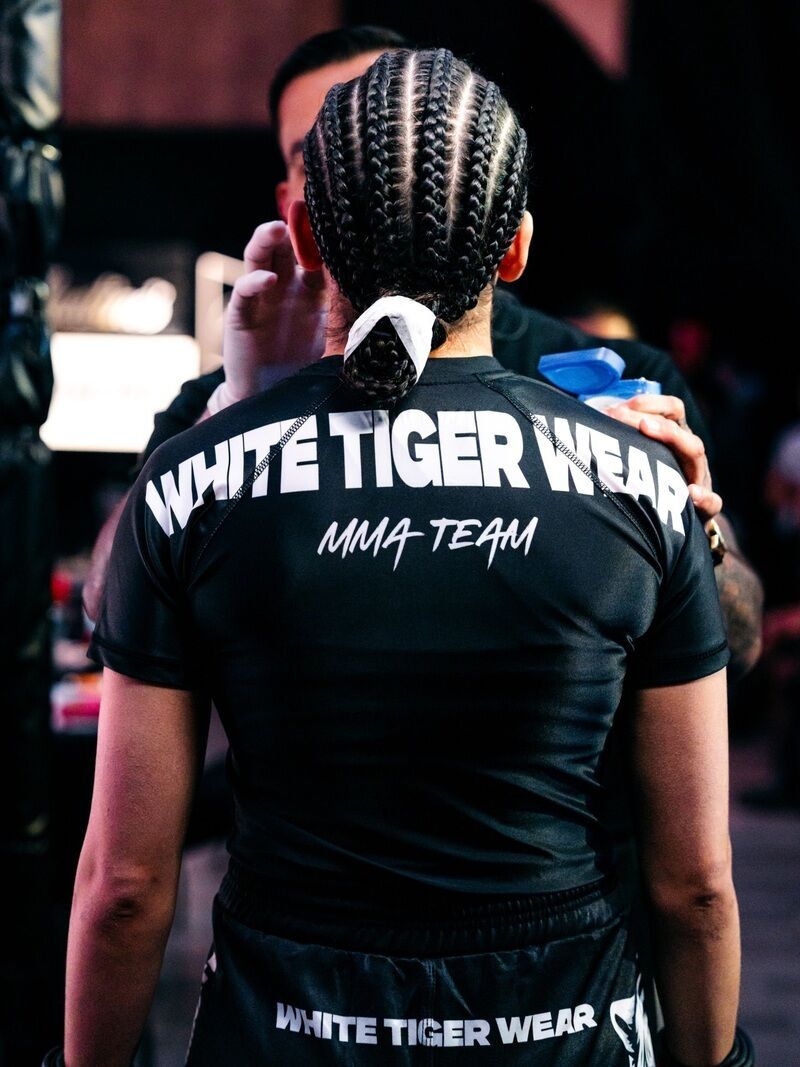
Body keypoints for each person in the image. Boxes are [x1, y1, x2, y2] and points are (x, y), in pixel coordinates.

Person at [58, 47, 749, 1067]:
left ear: (304, 231)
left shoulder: (195, 474)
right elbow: (693, 885)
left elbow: (124, 884)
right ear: (514, 248)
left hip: (288, 1024)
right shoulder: (632, 469)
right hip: (559, 1024)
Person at [82, 26, 762, 682]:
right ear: (297, 209)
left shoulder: (620, 386)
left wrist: (691, 524)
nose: (376, 161)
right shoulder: (226, 398)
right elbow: (107, 607)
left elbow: (738, 642)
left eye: (405, 129)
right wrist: (238, 406)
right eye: (326, 149)